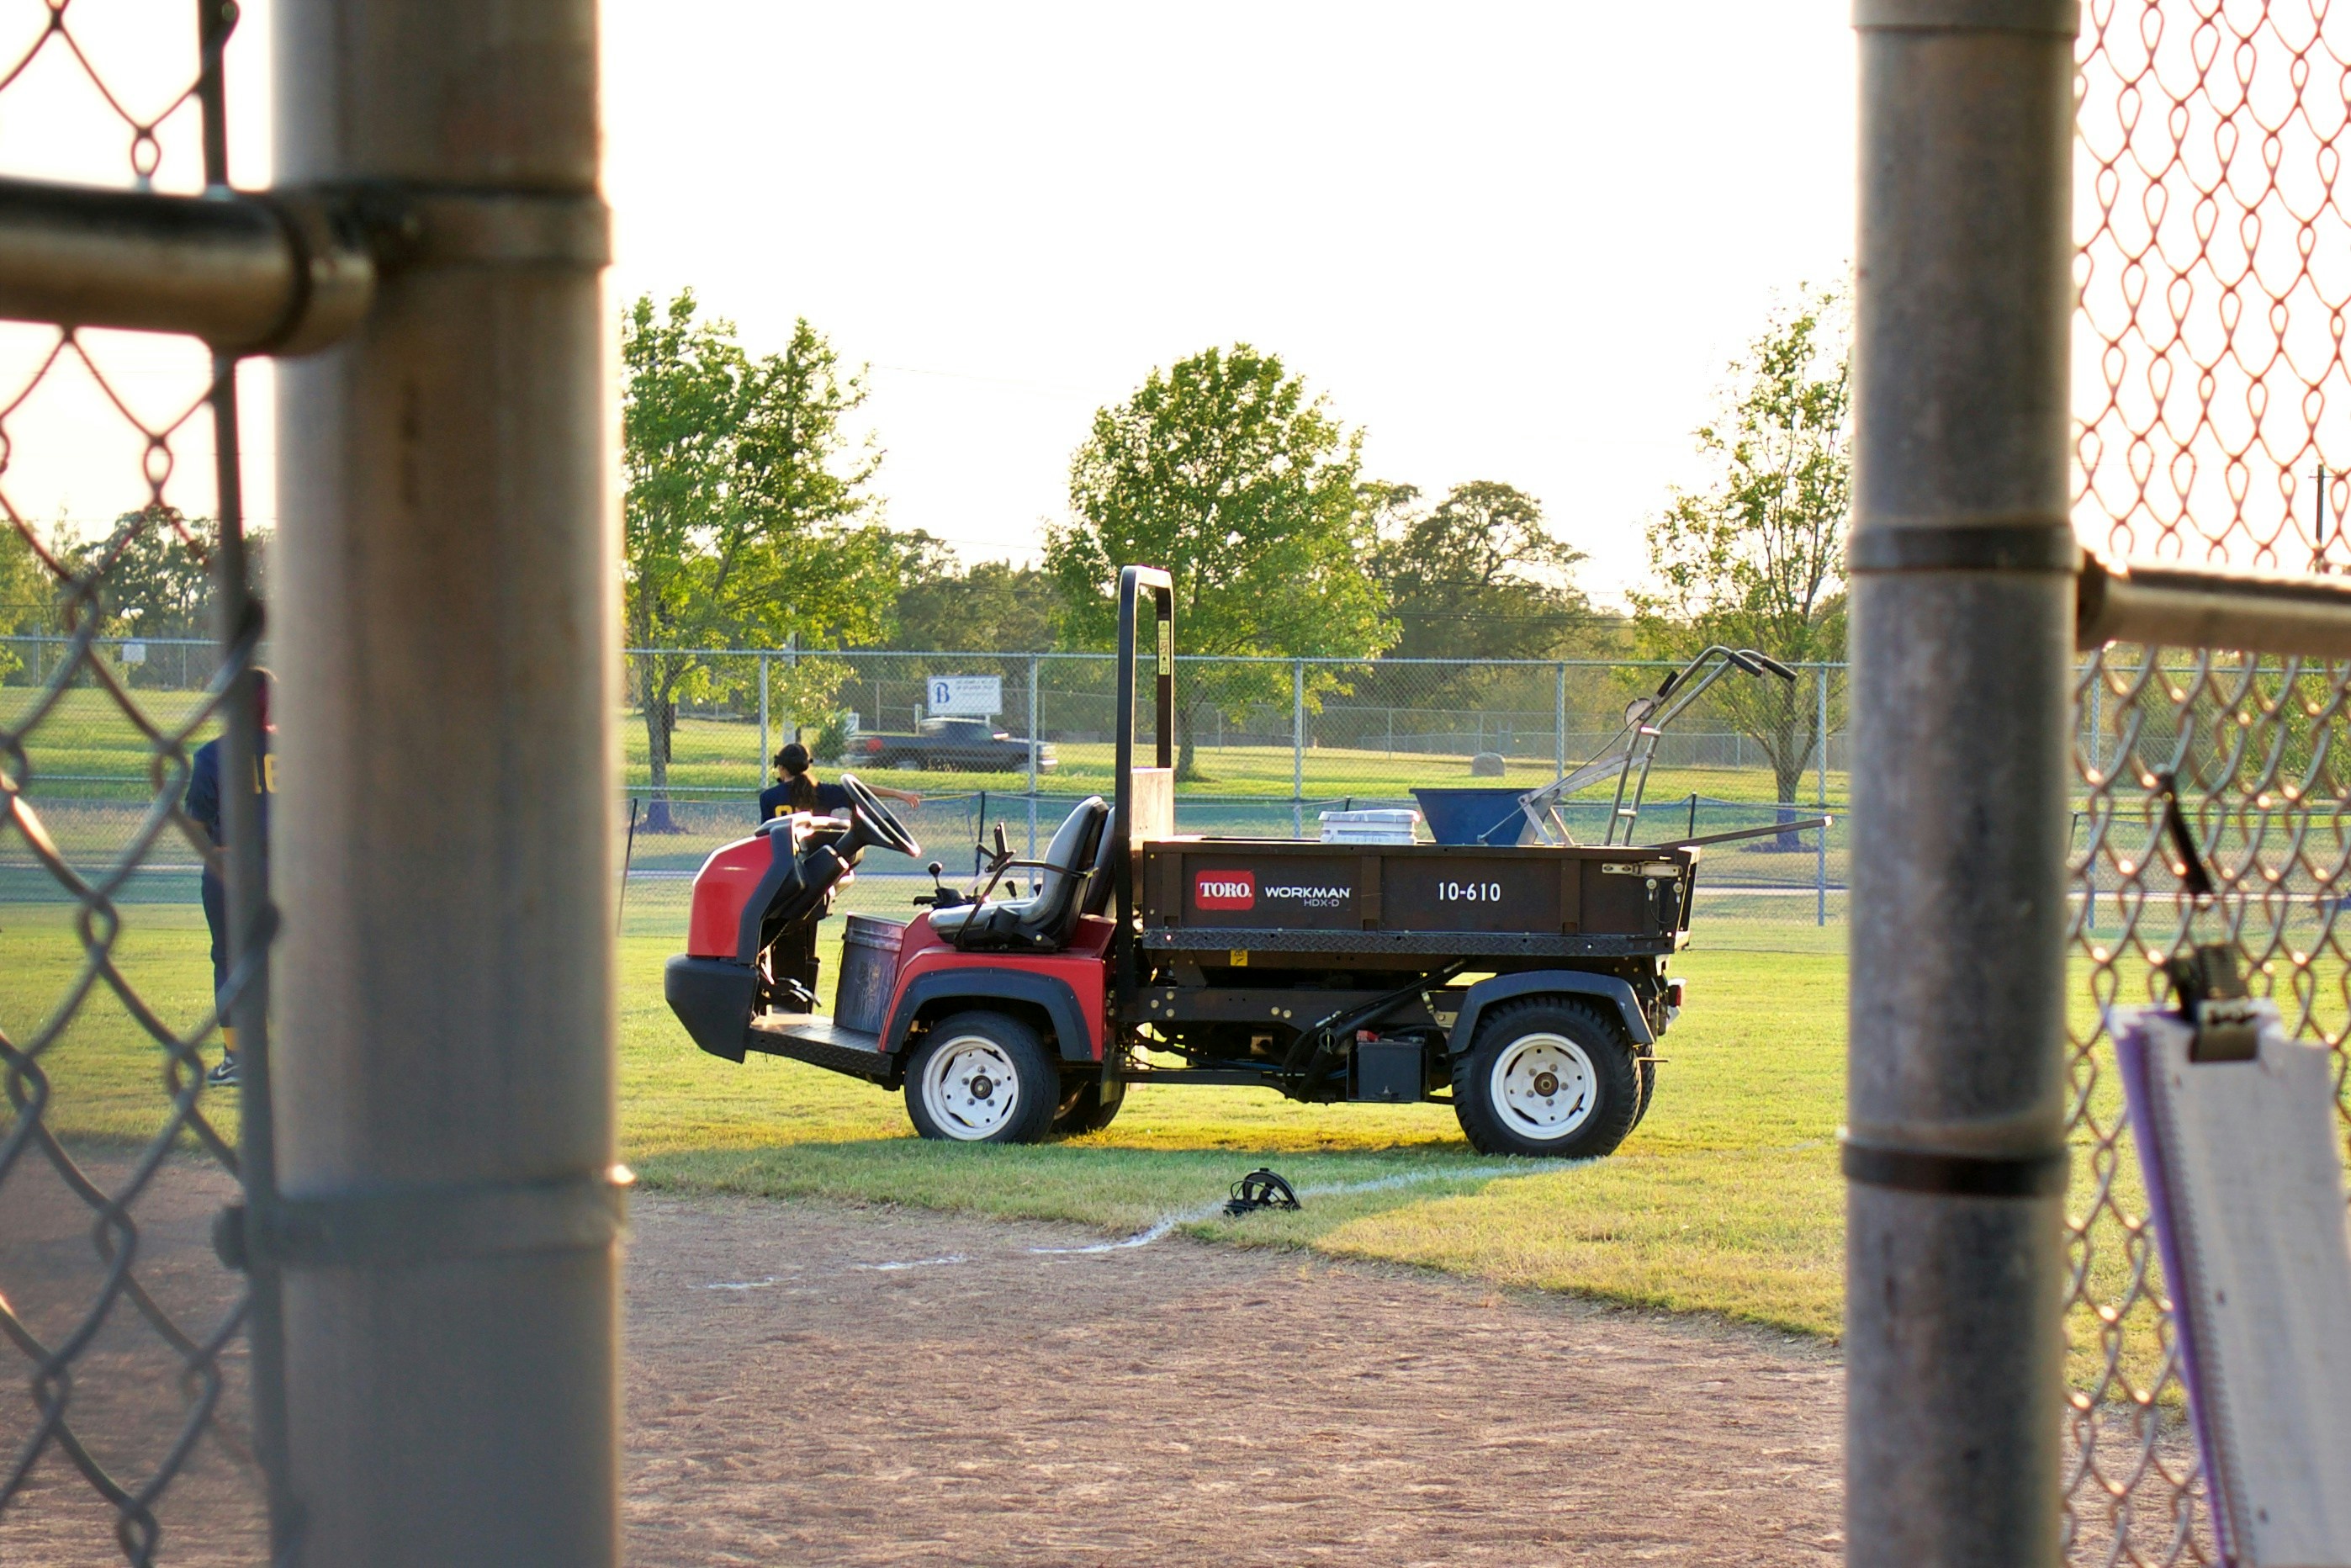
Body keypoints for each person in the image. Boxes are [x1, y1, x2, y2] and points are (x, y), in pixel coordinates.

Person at [185, 670, 273, 1088]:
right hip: (293, 871)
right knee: (294, 960)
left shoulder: (212, 756)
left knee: (229, 960)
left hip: (231, 870)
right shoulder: (301, 751)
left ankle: (239, 1058)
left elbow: (196, 824)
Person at [757, 741, 919, 824]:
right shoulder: (822, 791)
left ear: (782, 768)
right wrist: (899, 794)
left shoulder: (768, 797)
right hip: (816, 862)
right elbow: (859, 789)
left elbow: (765, 836)